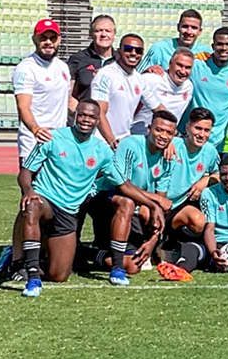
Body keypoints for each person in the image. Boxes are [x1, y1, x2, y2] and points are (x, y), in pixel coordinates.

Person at [15, 100, 159, 297]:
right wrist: (29, 190)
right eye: (82, 115)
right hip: (46, 200)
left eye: (91, 117)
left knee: (59, 275)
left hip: (69, 212)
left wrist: (152, 204)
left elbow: (123, 185)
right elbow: (25, 171)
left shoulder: (102, 151)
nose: (86, 120)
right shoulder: (53, 138)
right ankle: (31, 275)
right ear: (75, 115)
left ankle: (37, 258)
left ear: (98, 120)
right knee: (32, 205)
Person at [84, 110, 178, 284]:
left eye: (169, 132)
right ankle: (117, 268)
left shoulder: (168, 158)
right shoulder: (130, 145)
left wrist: (153, 241)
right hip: (103, 197)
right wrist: (154, 202)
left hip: (134, 206)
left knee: (133, 267)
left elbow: (162, 202)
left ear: (174, 135)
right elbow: (122, 186)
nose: (163, 135)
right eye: (159, 130)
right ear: (149, 128)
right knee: (127, 203)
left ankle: (83, 251)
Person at [12, 19, 71, 165]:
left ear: (59, 40)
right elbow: (23, 107)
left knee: (59, 187)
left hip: (59, 142)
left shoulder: (63, 67)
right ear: (34, 40)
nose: (48, 42)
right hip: (34, 142)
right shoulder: (26, 68)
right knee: (33, 187)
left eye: (53, 38)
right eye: (43, 38)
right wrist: (35, 129)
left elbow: (68, 101)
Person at [91, 33, 164, 148]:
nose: (133, 53)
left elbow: (159, 109)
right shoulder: (106, 74)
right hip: (101, 142)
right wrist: (112, 141)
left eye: (138, 51)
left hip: (123, 141)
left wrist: (171, 134)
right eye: (128, 49)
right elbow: (99, 113)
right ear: (119, 51)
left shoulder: (139, 79)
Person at [185, 28, 228, 152]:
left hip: (225, 139)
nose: (224, 48)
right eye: (220, 44)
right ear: (213, 46)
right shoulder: (197, 66)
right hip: (197, 136)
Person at [161, 108, 219, 248]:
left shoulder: (210, 151)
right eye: (198, 128)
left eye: (206, 130)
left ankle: (169, 243)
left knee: (198, 221)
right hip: (157, 200)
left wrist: (204, 181)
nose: (202, 134)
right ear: (187, 127)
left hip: (179, 206)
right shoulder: (172, 144)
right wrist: (166, 144)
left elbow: (219, 176)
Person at [130, 48, 194, 135]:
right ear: (170, 63)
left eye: (187, 67)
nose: (183, 71)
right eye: (179, 65)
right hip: (138, 136)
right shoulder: (152, 79)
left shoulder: (189, 87)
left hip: (165, 140)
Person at [66, 14, 116, 112]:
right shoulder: (77, 60)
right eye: (99, 30)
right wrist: (83, 115)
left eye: (108, 31)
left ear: (114, 35)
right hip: (84, 122)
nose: (103, 34)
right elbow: (68, 96)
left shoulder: (120, 61)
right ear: (91, 34)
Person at [139, 9, 211, 74]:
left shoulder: (206, 53)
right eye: (185, 26)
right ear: (178, 27)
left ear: (200, 31)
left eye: (194, 28)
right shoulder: (159, 49)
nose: (189, 32)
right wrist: (147, 71)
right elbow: (138, 75)